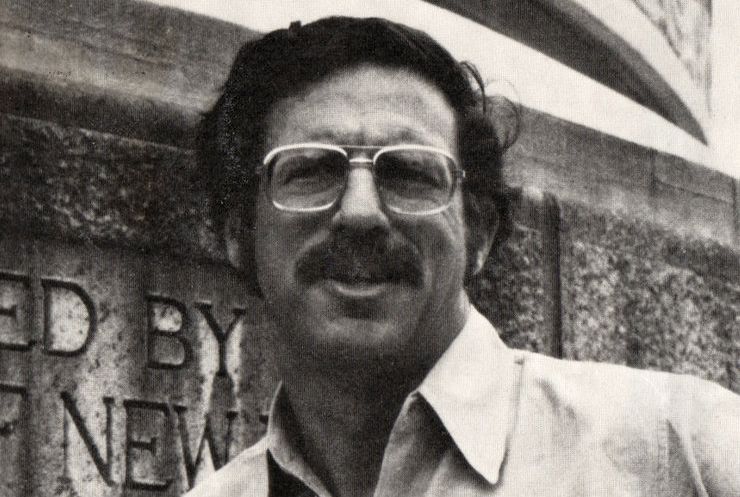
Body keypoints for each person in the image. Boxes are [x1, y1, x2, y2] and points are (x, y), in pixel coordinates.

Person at [186, 16, 740, 497]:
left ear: (480, 233)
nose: (360, 212)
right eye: (310, 170)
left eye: (409, 172)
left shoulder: (683, 446)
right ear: (238, 233)